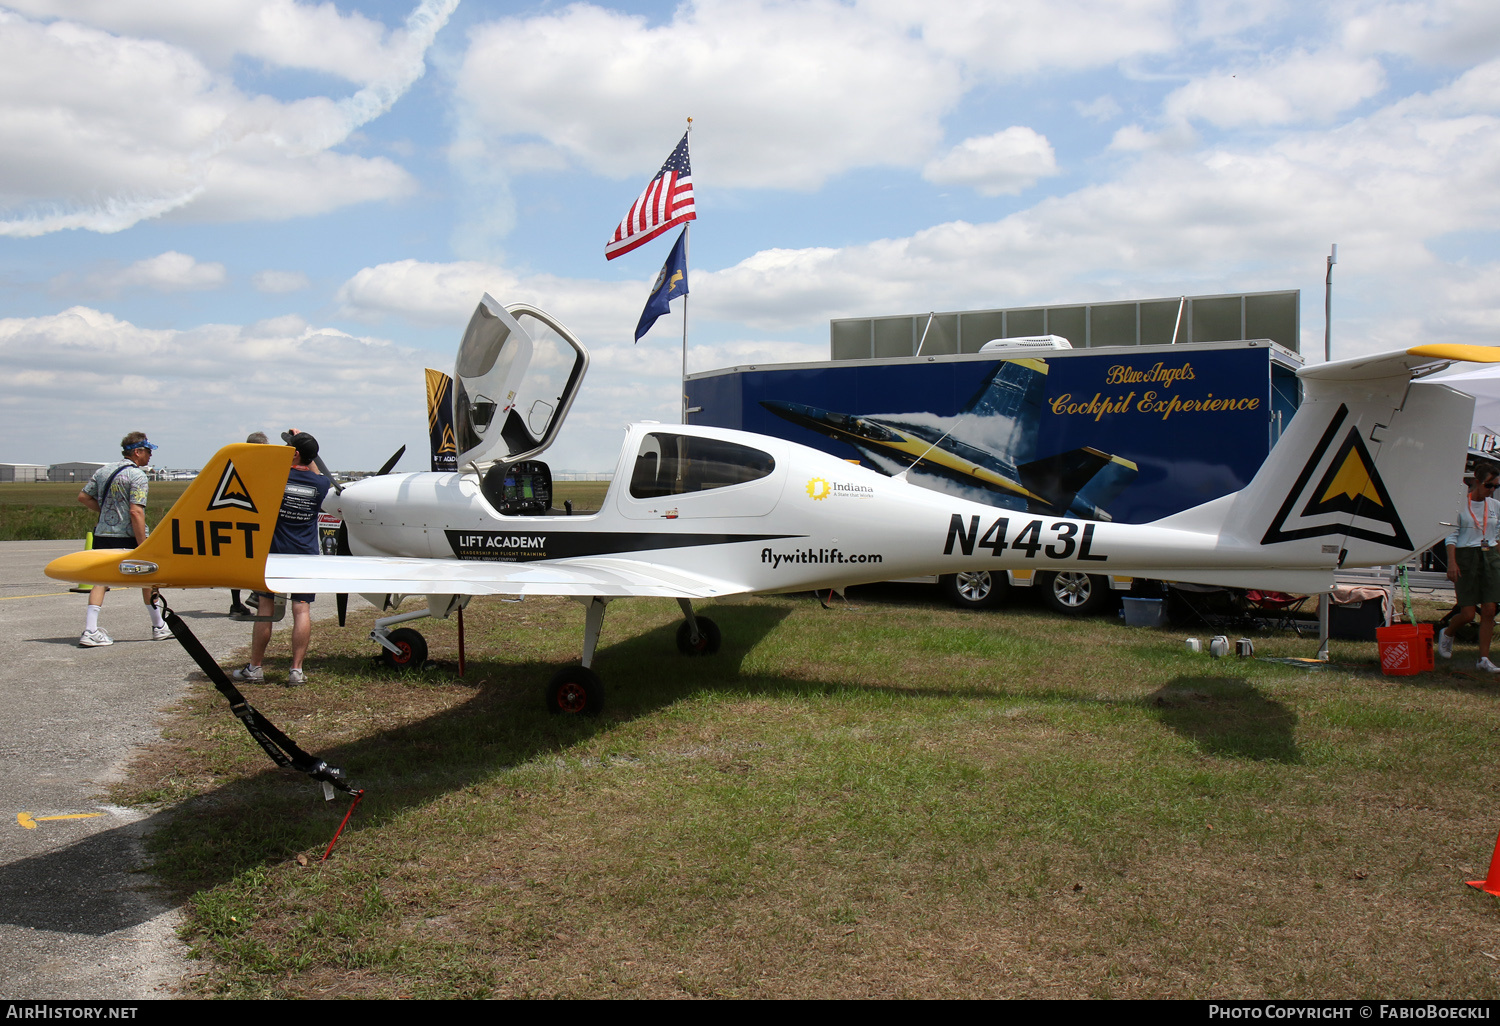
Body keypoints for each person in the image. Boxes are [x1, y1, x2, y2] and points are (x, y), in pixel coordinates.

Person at [233, 431, 331, 686]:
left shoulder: (275, 477)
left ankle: (255, 667)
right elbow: (317, 473)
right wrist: (306, 447)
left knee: (265, 609)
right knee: (302, 609)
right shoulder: (320, 485)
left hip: (274, 554)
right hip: (305, 555)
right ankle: (296, 670)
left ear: (294, 453)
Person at [76, 431, 171, 647]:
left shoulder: (104, 471)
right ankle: (158, 626)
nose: (150, 456)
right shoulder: (137, 476)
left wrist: (106, 513)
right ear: (137, 452)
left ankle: (90, 629)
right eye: (147, 451)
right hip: (128, 536)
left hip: (102, 534)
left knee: (100, 581)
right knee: (149, 578)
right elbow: (135, 512)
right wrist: (143, 544)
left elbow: (83, 496)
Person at [1438, 460, 1500, 672]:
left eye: (1496, 487)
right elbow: (1451, 536)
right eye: (1488, 486)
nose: (1492, 491)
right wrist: (1452, 562)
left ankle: (1483, 659)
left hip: (1489, 556)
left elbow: (1497, 535)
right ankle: (1448, 632)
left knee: (1490, 609)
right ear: (1476, 482)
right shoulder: (1460, 506)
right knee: (1468, 613)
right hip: (1466, 556)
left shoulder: (1495, 506)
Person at [228, 431, 270, 617]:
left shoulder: (236, 465)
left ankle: (236, 603)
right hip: (255, 521)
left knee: (237, 564)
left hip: (236, 521)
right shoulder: (261, 467)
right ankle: (256, 594)